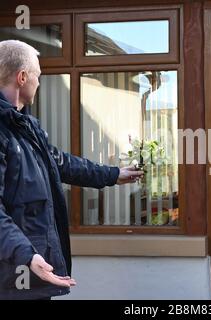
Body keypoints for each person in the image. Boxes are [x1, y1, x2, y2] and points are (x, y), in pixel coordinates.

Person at [0, 40, 143, 300]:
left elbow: (62, 163)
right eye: (37, 76)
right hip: (13, 274)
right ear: (22, 77)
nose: (39, 83)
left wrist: (113, 175)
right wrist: (27, 255)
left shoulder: (26, 127)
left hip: (33, 269)